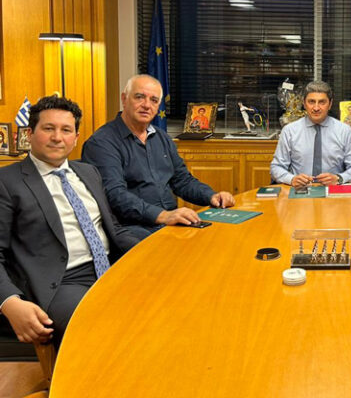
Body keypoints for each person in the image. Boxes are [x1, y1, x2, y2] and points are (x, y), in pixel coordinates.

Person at [0, 96, 139, 348]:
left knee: (166, 305)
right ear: (29, 134)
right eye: (48, 128)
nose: (57, 137)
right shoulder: (7, 182)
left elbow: (113, 229)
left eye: (66, 130)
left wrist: (153, 248)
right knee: (106, 329)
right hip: (61, 281)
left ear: (75, 138)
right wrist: (9, 301)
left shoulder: (88, 172)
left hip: (110, 268)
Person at [81, 75, 235, 239]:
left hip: (169, 223)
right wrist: (163, 215)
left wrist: (211, 196)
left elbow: (182, 181)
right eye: (139, 97)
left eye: (154, 100)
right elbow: (115, 195)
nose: (147, 105)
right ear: (124, 99)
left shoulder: (162, 138)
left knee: (223, 238)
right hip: (131, 228)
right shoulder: (101, 143)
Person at [271, 81, 351, 187]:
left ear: (330, 104)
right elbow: (276, 167)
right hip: (300, 190)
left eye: (322, 102)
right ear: (304, 103)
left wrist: (339, 178)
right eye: (311, 102)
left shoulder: (344, 131)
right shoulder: (289, 131)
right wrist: (291, 179)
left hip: (333, 190)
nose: (316, 108)